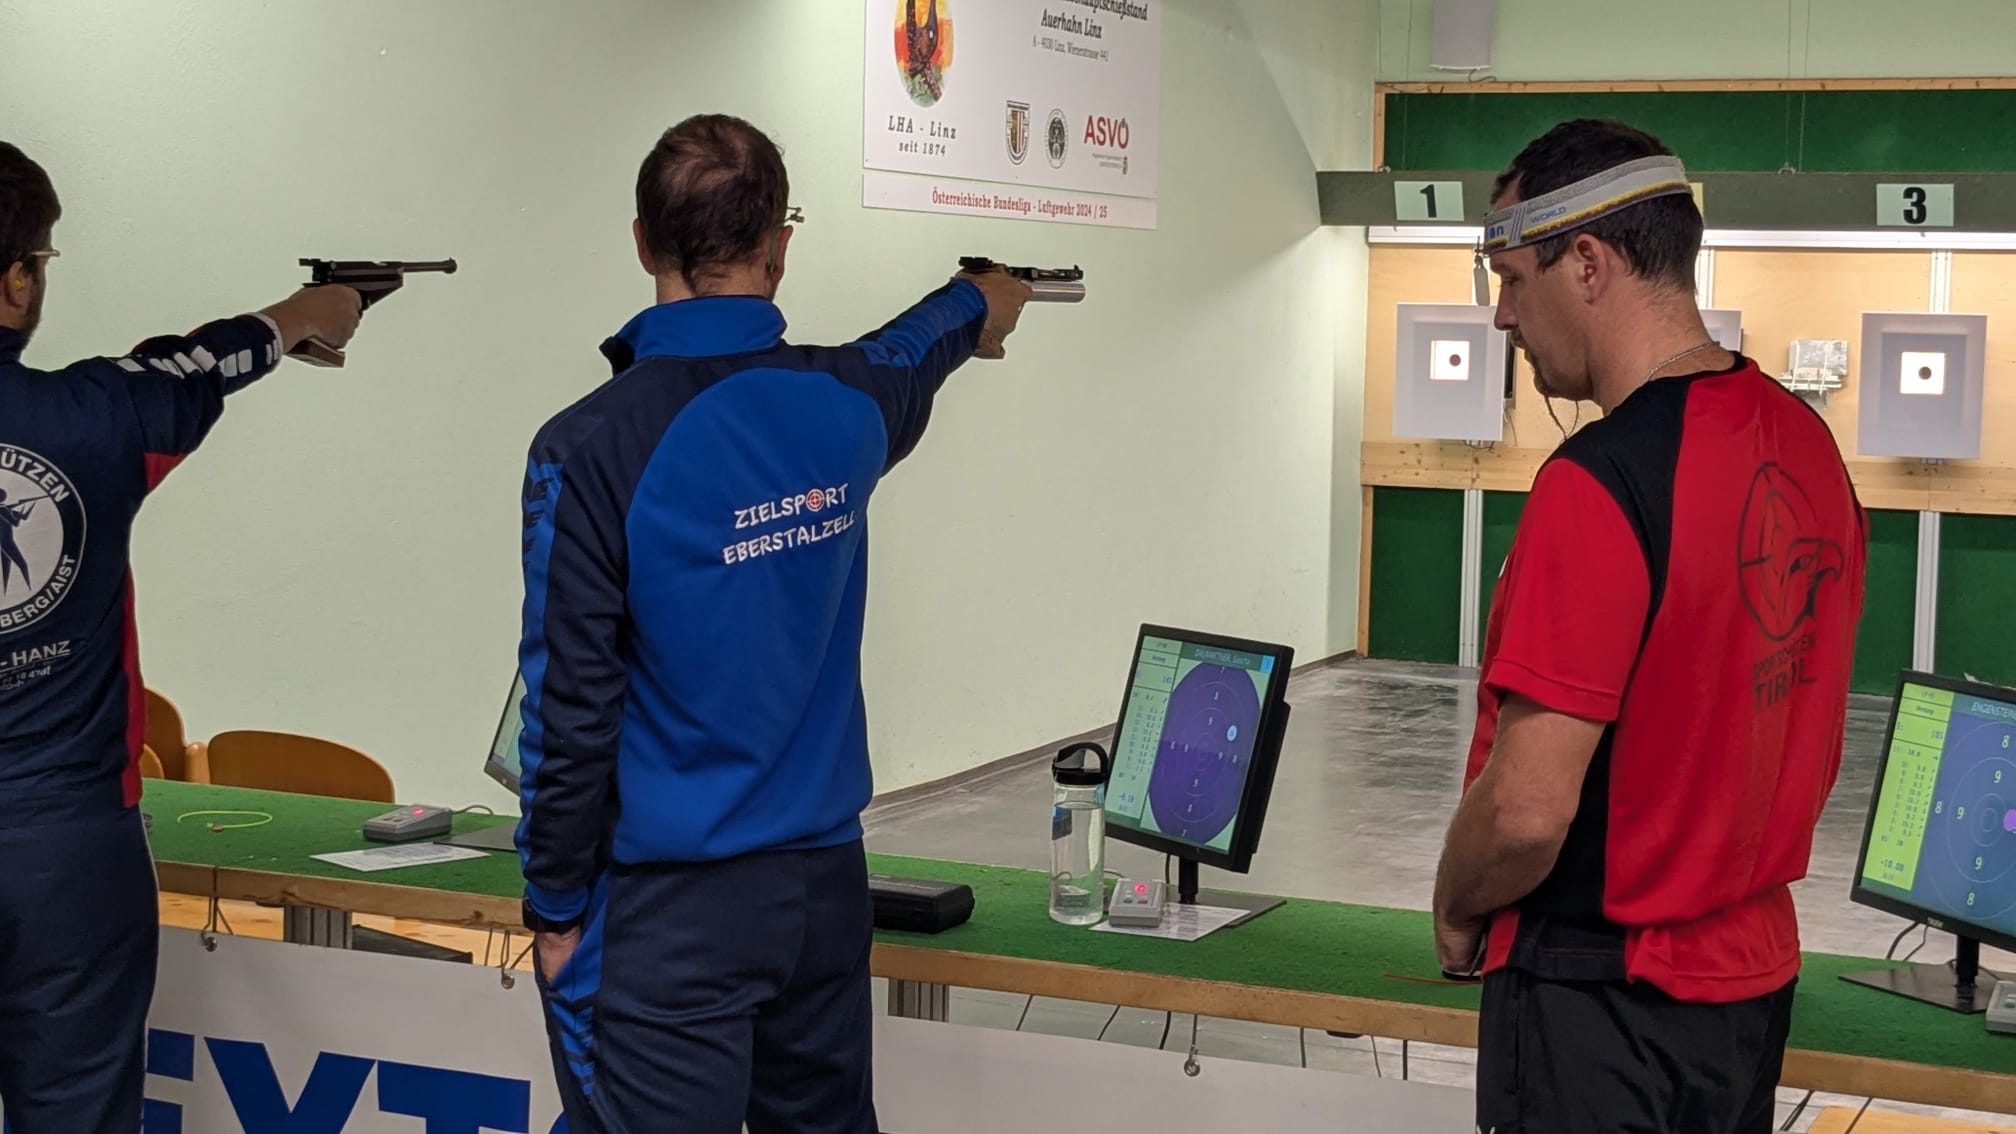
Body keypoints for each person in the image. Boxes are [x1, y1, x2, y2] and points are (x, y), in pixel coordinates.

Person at [512, 113, 1031, 1134]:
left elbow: (569, 705)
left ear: (643, 243)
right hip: (823, 896)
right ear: (779, 246)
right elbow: (920, 341)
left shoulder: (587, 447)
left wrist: (555, 906)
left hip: (669, 912)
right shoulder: (848, 400)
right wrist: (986, 298)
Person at [1429, 118, 1869, 1134]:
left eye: (1511, 278)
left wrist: (1457, 901)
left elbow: (1528, 813)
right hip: (1748, 997)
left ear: (1587, 263)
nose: (1502, 316)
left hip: (1601, 1002)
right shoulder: (1807, 448)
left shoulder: (1598, 481)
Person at [0, 141, 363, 1132]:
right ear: (15, 281)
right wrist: (304, 315)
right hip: (70, 852)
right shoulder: (98, 418)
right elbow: (200, 362)